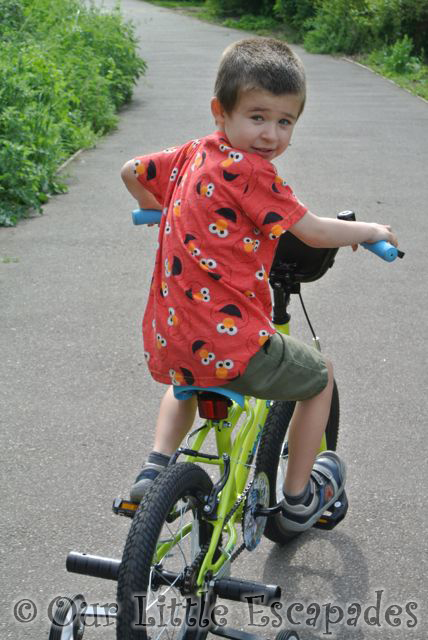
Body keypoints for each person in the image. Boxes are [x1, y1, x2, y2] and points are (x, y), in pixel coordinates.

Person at [121, 37, 397, 531]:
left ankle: (156, 465)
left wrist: (160, 207)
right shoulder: (252, 173)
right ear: (220, 112)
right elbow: (310, 230)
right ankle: (297, 497)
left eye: (284, 121)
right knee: (319, 377)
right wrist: (369, 231)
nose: (270, 134)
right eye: (257, 116)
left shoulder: (190, 154)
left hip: (172, 336)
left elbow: (132, 171)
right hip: (232, 343)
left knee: (187, 383)